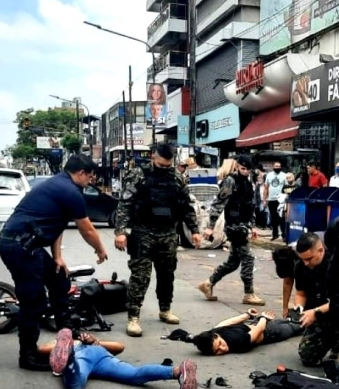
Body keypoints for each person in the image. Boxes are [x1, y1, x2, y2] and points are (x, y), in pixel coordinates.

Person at [0, 154, 108, 372]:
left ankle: (66, 332)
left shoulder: (61, 185)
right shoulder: (69, 191)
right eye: (90, 177)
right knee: (34, 302)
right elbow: (87, 229)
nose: (91, 181)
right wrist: (100, 249)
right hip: (19, 248)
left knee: (59, 278)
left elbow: (56, 226)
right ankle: (27, 355)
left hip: (30, 245)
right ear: (81, 174)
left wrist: (57, 257)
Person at [115, 143, 202, 337]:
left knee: (167, 275)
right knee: (140, 276)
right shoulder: (138, 175)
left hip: (168, 234)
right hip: (142, 232)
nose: (164, 169)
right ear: (153, 158)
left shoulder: (177, 178)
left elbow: (186, 206)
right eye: (161, 165)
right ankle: (133, 317)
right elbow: (125, 204)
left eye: (167, 166)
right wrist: (120, 231)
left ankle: (165, 309)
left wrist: (195, 230)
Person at [44, 330, 197, 389]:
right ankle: (178, 371)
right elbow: (42, 350)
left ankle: (69, 358)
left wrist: (94, 341)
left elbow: (119, 347)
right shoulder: (63, 344)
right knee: (134, 375)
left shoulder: (85, 342)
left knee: (75, 385)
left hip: (92, 356)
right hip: (94, 357)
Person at [198, 155, 265, 306]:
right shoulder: (230, 181)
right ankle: (249, 293)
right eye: (243, 169)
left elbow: (250, 206)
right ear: (236, 167)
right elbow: (218, 204)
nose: (246, 172)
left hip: (243, 225)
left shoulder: (248, 183)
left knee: (233, 262)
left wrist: (253, 225)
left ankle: (208, 283)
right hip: (234, 226)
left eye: (248, 169)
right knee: (248, 258)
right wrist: (210, 227)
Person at [293, 232, 339, 367]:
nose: (305, 263)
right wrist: (299, 307)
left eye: (309, 259)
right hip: (319, 311)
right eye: (302, 259)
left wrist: (315, 312)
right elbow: (300, 294)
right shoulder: (301, 266)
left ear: (320, 251)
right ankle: (331, 339)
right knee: (308, 358)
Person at [178, 308, 303, 355]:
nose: (223, 348)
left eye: (220, 344)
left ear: (215, 335)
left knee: (290, 320)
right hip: (269, 332)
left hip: (256, 324)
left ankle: (300, 314)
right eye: (217, 351)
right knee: (298, 326)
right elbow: (258, 331)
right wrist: (264, 318)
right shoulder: (238, 344)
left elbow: (227, 323)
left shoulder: (213, 333)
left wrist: (246, 315)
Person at [263, 162, 286, 241]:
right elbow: (266, 188)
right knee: (273, 218)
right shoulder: (269, 175)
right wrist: (264, 199)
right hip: (271, 199)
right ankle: (275, 234)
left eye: (279, 166)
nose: (278, 167)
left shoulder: (284, 175)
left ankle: (284, 235)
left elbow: (287, 187)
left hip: (281, 200)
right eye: (276, 166)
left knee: (282, 218)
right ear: (273, 166)